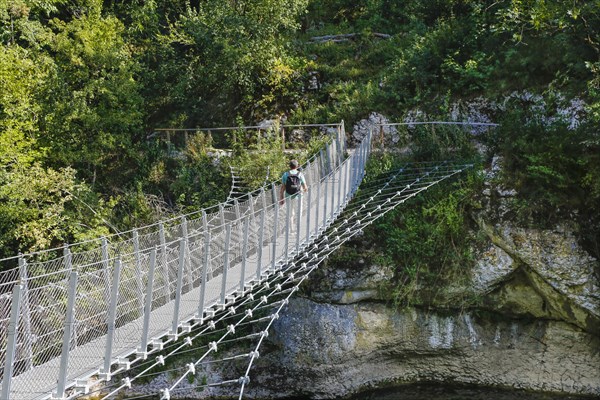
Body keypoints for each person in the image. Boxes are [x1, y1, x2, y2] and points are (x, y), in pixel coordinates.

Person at [279, 160, 308, 230]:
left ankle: (291, 229)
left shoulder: (285, 174)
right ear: (297, 166)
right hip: (298, 195)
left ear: (290, 166)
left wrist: (281, 198)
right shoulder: (300, 174)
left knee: (290, 214)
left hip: (288, 196)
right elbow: (305, 187)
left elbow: (283, 188)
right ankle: (298, 228)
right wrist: (304, 191)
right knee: (299, 212)